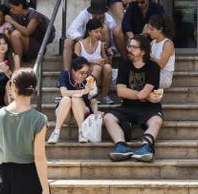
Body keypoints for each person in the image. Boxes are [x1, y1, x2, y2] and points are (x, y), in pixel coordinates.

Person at [103, 35, 164, 163]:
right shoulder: (125, 65)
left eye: (134, 47)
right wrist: (145, 96)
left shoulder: (153, 67)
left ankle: (146, 147)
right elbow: (120, 91)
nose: (130, 49)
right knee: (108, 118)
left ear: (143, 51)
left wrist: (139, 94)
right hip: (128, 107)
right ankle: (121, 145)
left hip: (149, 108)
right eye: (129, 46)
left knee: (157, 121)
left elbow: (143, 93)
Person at [63, 0, 123, 71]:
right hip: (82, 42)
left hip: (101, 47)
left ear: (104, 12)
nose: (97, 16)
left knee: (104, 28)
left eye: (100, 14)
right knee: (67, 42)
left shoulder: (109, 20)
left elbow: (113, 41)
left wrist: (110, 50)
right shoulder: (84, 14)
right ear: (91, 12)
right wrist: (83, 41)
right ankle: (67, 73)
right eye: (95, 13)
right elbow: (71, 30)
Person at [48, 56, 96, 144]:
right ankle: (56, 132)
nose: (84, 75)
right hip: (65, 113)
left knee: (75, 98)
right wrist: (83, 91)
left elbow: (93, 99)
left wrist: (95, 113)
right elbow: (63, 93)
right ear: (73, 71)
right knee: (66, 99)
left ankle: (82, 132)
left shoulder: (89, 78)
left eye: (86, 72)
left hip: (81, 112)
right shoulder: (65, 75)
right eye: (82, 73)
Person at [74, 17, 114, 106]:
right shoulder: (79, 44)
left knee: (107, 67)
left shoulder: (101, 44)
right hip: (84, 75)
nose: (99, 34)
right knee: (97, 67)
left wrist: (107, 55)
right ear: (89, 32)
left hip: (99, 78)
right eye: (96, 31)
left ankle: (104, 97)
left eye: (100, 32)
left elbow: (106, 62)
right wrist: (93, 61)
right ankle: (89, 93)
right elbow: (77, 61)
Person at [5, 0, 50, 65]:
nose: (11, 10)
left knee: (15, 34)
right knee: (8, 35)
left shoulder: (34, 15)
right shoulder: (20, 16)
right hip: (27, 45)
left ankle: (17, 65)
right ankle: (11, 62)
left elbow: (27, 32)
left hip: (37, 47)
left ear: (20, 6)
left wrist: (12, 21)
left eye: (12, 8)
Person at [144, 14, 176, 89]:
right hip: (153, 72)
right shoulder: (153, 42)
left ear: (160, 29)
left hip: (164, 76)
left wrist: (150, 55)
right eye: (148, 29)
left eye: (152, 29)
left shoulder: (168, 44)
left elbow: (161, 64)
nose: (149, 32)